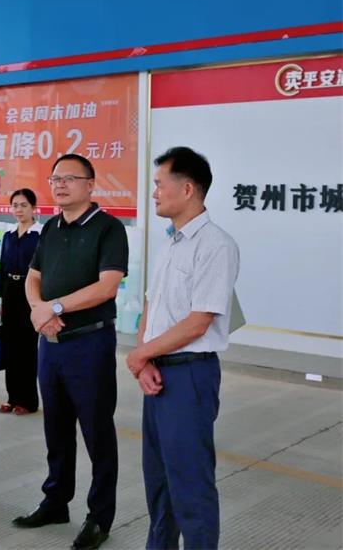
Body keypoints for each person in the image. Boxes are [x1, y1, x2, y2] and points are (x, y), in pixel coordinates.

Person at [126, 147, 239, 550]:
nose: (154, 193)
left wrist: (140, 355)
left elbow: (198, 321)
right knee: (159, 483)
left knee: (191, 486)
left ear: (188, 189)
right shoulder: (172, 243)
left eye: (160, 184)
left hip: (190, 376)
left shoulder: (215, 245)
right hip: (158, 373)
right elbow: (152, 307)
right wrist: (144, 359)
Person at [13, 154, 128, 550]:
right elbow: (33, 277)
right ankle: (55, 501)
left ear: (90, 185)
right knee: (56, 429)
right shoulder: (50, 227)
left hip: (90, 344)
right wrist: (38, 310)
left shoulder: (109, 228)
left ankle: (100, 517)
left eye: (69, 178)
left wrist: (55, 308)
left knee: (97, 432)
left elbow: (107, 287)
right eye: (55, 179)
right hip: (51, 344)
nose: (60, 185)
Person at [0, 188, 41, 415]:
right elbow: (3, 267)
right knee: (10, 346)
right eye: (15, 205)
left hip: (30, 293)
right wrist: (1, 299)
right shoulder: (9, 235)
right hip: (11, 292)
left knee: (27, 348)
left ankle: (28, 401)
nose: (19, 210)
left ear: (34, 208)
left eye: (24, 205)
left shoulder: (40, 235)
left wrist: (40, 302)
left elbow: (44, 269)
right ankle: (12, 397)